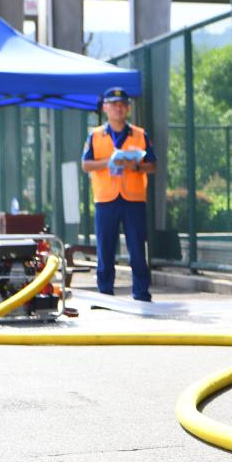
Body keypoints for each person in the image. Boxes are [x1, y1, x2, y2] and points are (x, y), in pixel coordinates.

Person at [81, 87, 156, 302]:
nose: (118, 109)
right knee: (105, 248)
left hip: (133, 198)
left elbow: (153, 165)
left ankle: (141, 292)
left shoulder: (140, 134)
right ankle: (105, 292)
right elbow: (85, 164)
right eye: (114, 105)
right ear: (105, 108)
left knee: (137, 247)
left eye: (122, 105)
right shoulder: (95, 135)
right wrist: (109, 161)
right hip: (106, 199)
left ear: (128, 109)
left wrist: (137, 167)